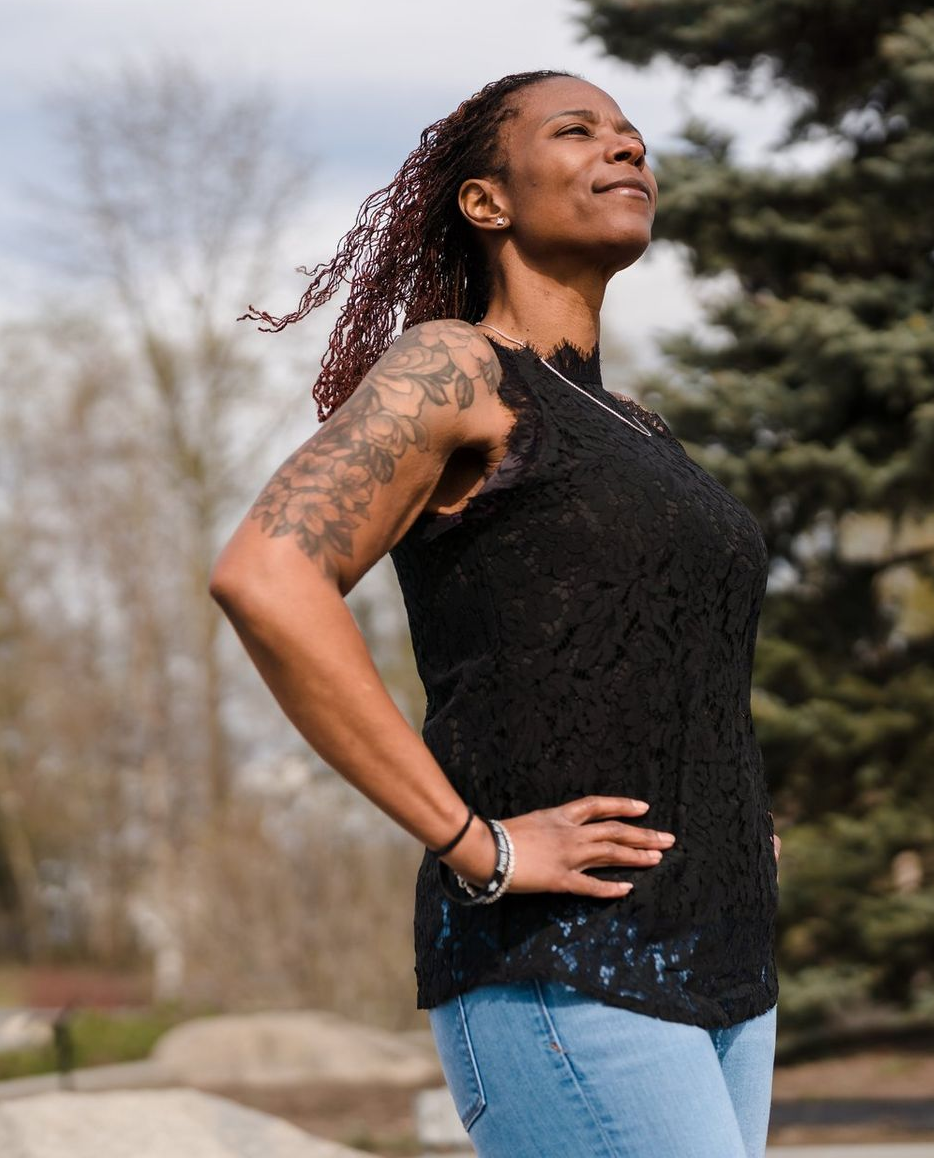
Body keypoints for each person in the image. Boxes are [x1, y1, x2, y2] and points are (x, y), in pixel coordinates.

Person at [210, 70, 783, 1157]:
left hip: (722, 958)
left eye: (631, 136)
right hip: (557, 961)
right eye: (578, 131)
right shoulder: (454, 367)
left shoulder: (635, 427)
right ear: (487, 202)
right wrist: (475, 844)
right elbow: (266, 576)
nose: (624, 150)